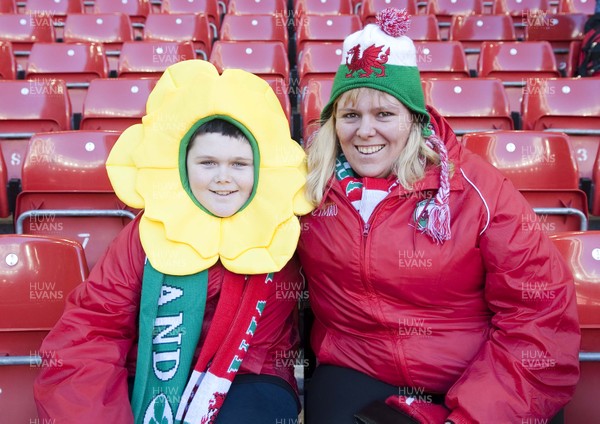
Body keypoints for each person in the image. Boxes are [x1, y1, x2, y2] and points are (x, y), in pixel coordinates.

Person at [297, 8, 581, 424]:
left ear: (414, 119)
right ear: (333, 122)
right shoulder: (307, 190)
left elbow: (539, 316)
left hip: (478, 372)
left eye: (384, 114)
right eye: (351, 115)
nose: (364, 131)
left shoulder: (477, 189)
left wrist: (469, 416)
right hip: (361, 369)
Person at [34, 60, 313, 423]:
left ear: (259, 170)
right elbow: (93, 331)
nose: (224, 179)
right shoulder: (146, 234)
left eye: (240, 165)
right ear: (183, 166)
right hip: (151, 370)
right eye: (208, 163)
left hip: (251, 373)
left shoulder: (285, 228)